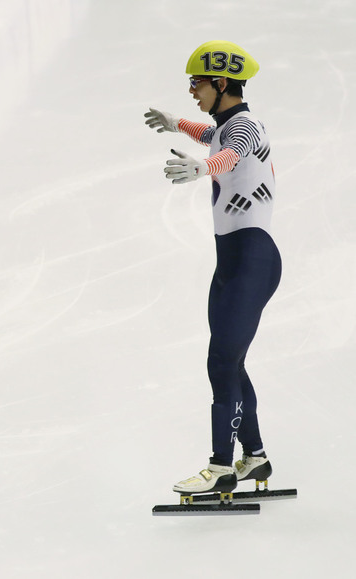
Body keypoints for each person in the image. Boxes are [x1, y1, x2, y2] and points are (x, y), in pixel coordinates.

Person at [144, 40, 281, 495]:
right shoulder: (225, 125)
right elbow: (211, 136)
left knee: (221, 361)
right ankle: (255, 458)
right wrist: (174, 124)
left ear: (221, 83)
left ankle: (222, 465)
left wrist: (204, 170)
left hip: (253, 259)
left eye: (197, 84)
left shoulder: (248, 126)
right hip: (231, 263)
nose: (192, 91)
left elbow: (231, 153)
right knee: (229, 363)